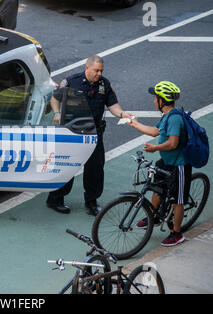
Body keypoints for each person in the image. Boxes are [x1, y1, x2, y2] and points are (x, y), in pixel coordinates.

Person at [47, 55, 133, 215]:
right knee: (66, 166)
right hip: (72, 132)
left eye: (101, 70)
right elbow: (54, 98)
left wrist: (123, 114)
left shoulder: (104, 84)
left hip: (93, 133)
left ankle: (91, 202)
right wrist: (57, 113)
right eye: (96, 70)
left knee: (95, 168)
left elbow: (113, 106)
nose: (99, 73)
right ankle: (55, 199)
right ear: (87, 68)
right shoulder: (72, 81)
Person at [128, 81, 191, 246]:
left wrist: (155, 147)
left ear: (161, 100)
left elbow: (173, 143)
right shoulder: (167, 115)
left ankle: (177, 233)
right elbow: (155, 131)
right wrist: (134, 123)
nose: (154, 101)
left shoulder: (175, 118)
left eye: (155, 98)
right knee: (157, 189)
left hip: (179, 165)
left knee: (178, 200)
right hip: (166, 162)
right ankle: (154, 216)